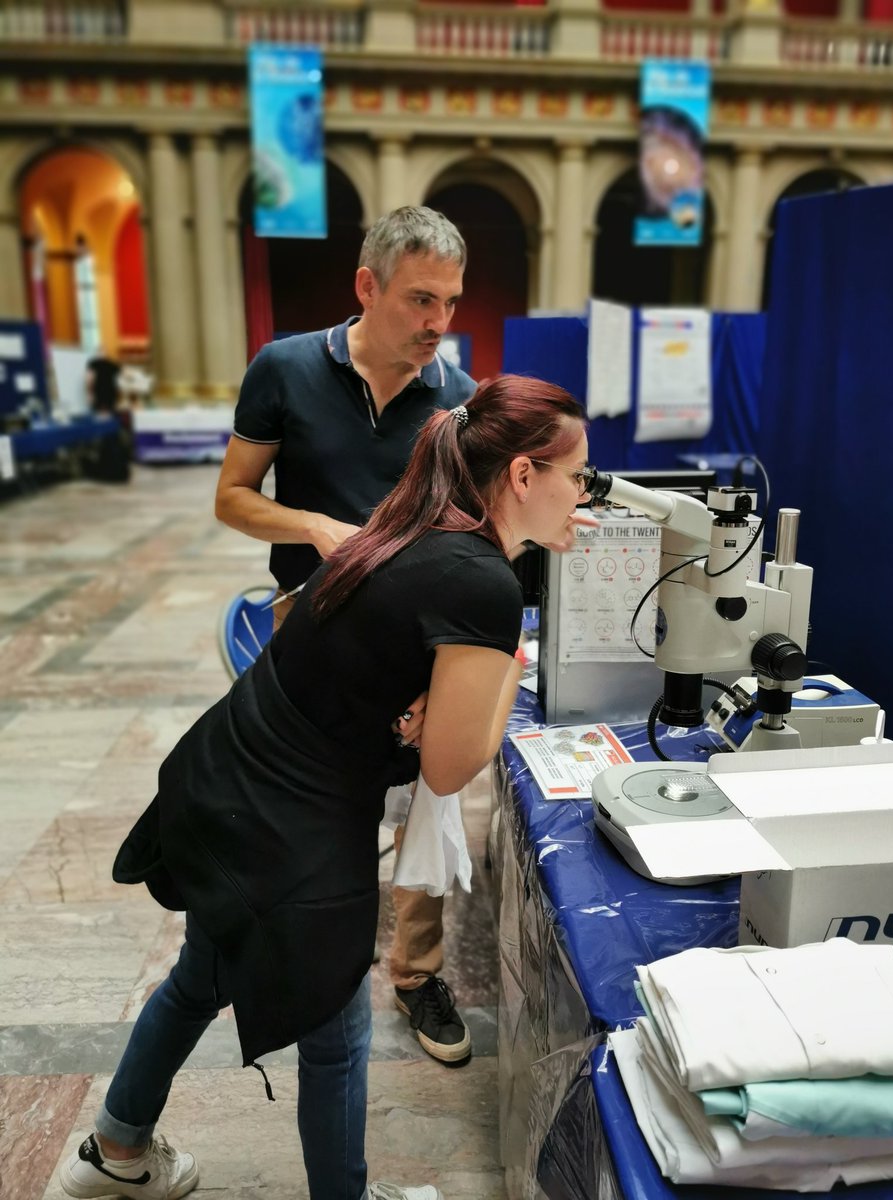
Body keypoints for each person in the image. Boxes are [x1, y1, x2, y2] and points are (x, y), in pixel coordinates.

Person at [59, 374, 594, 1200]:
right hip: (283, 826)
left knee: (200, 975)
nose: (585, 494)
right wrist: (506, 673)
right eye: (579, 475)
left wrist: (438, 698)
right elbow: (451, 766)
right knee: (336, 1035)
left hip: (220, 777)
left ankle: (116, 1151)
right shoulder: (482, 585)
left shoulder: (411, 523)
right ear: (524, 476)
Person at [214, 205, 477, 1064]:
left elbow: (464, 532)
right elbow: (233, 498)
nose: (439, 323)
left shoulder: (458, 401)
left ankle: (417, 974)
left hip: (413, 643)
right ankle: (315, 956)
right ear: (367, 287)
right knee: (322, 808)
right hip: (311, 630)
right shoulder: (285, 368)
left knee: (433, 797)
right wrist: (314, 528)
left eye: (451, 302)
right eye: (420, 300)